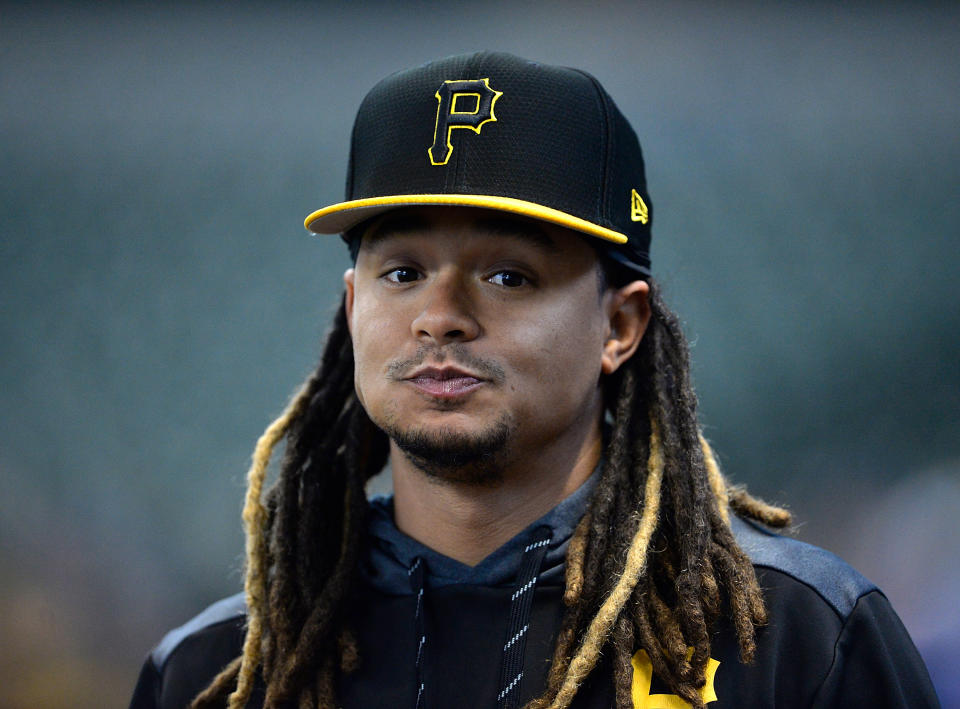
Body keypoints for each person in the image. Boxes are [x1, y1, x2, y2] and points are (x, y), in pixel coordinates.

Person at [129, 52, 939, 709]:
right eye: (403, 271)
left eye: (510, 276)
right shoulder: (219, 672)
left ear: (620, 326)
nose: (439, 316)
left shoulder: (796, 636)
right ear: (351, 308)